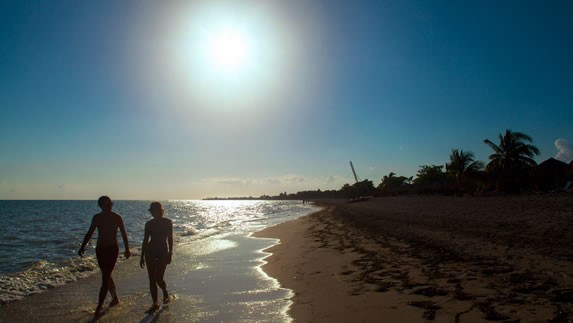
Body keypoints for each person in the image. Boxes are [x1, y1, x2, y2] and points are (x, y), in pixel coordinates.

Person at [78, 196, 131, 316]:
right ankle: (115, 298)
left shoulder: (117, 217)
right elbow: (90, 232)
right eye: (106, 204)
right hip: (100, 250)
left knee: (105, 277)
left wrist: (127, 249)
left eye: (110, 204)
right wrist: (82, 246)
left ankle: (99, 306)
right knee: (106, 275)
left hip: (112, 249)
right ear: (101, 205)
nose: (109, 206)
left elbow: (124, 233)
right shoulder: (97, 217)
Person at [140, 201, 173, 310]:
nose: (152, 213)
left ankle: (165, 291)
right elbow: (145, 240)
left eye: (154, 210)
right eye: (151, 211)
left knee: (159, 278)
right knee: (151, 279)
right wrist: (141, 256)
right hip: (150, 252)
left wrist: (170, 253)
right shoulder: (149, 224)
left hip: (163, 252)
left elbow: (170, 239)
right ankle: (155, 303)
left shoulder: (168, 222)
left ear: (160, 210)